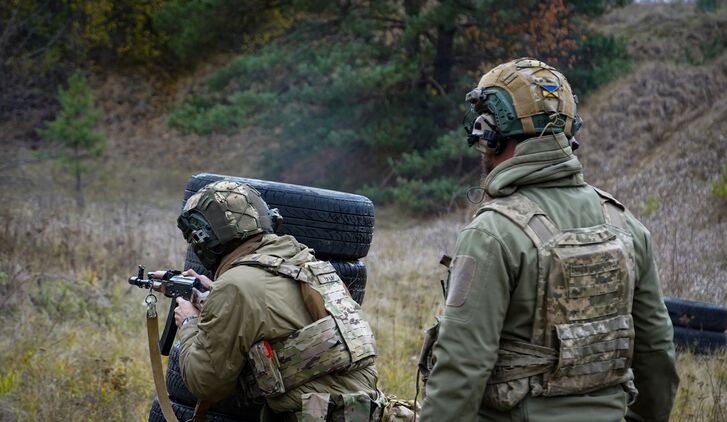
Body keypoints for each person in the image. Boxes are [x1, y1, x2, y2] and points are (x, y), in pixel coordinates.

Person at [419, 58, 679, 422]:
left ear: (491, 136)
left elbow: (461, 369)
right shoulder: (625, 225)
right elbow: (657, 353)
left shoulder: (492, 234)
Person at [173, 180, 381, 421]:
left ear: (205, 238)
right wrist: (216, 294)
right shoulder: (309, 265)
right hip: (365, 413)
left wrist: (189, 322)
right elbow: (275, 311)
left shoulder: (235, 287)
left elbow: (206, 383)